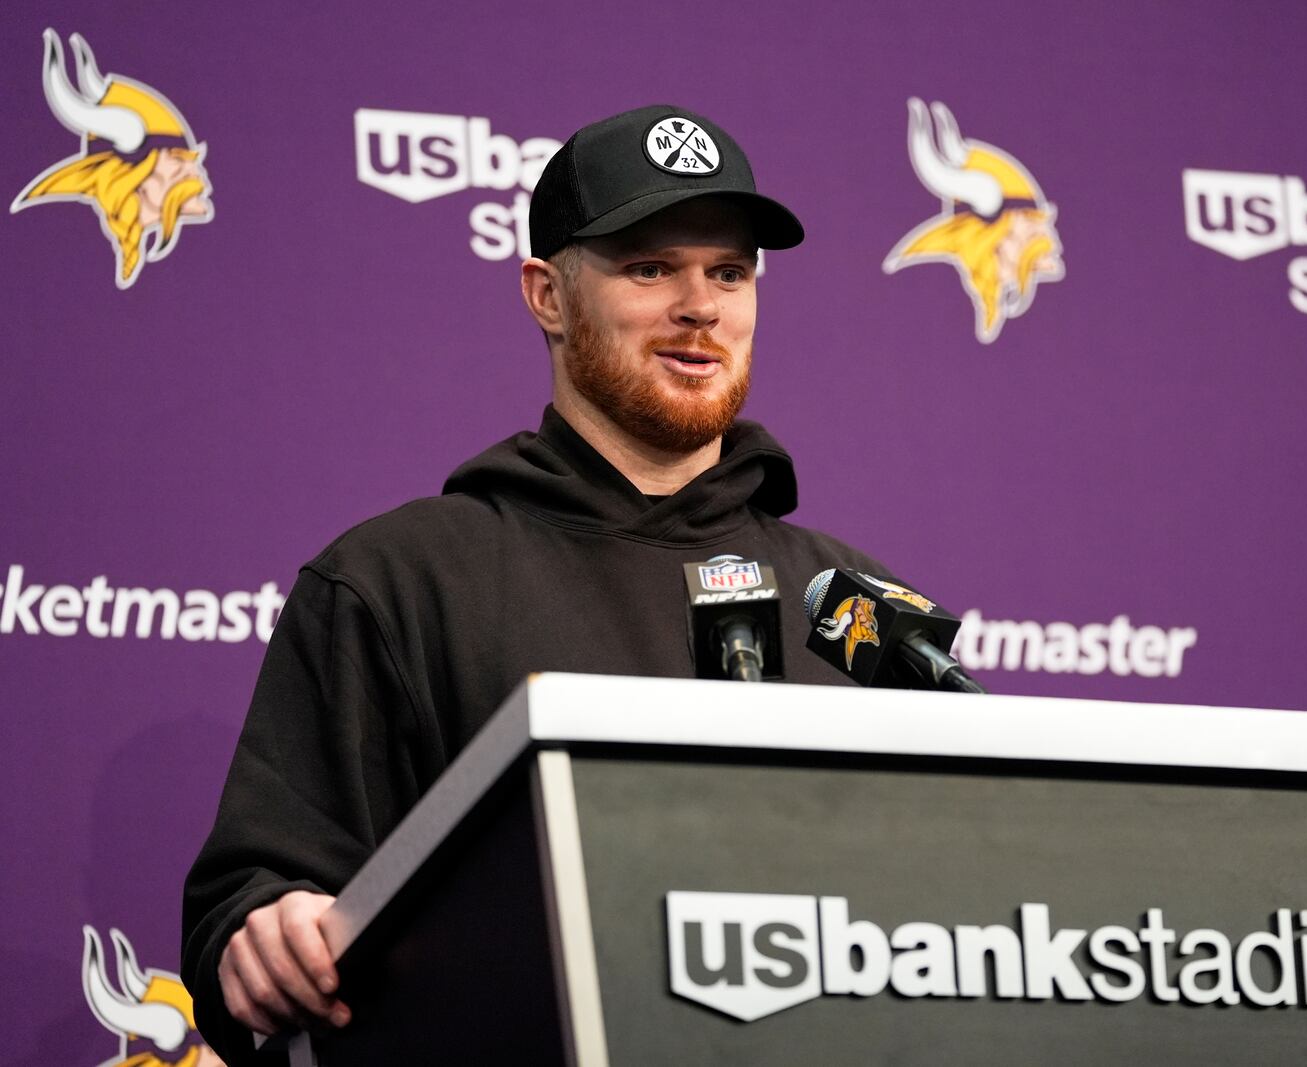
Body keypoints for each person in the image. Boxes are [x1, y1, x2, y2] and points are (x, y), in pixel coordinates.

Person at [181, 104, 885, 1062]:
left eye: (730, 271)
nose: (701, 306)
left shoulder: (853, 599)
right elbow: (257, 900)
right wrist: (267, 932)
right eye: (649, 267)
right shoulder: (399, 580)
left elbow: (982, 875)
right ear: (547, 295)